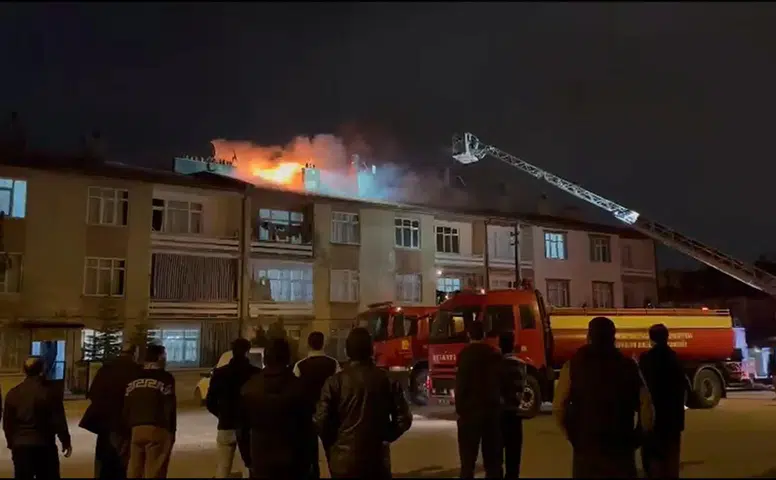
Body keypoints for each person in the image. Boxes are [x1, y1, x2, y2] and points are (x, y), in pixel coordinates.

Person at [553, 316, 654, 479]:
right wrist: (637, 438)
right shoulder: (628, 366)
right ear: (613, 337)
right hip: (620, 449)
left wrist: (573, 436)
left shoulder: (572, 366)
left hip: (587, 450)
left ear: (589, 337)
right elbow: (647, 408)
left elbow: (559, 407)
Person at [314, 327, 412, 479]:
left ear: (347, 351)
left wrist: (335, 444)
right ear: (371, 350)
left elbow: (321, 421)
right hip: (377, 461)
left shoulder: (334, 382)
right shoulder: (387, 380)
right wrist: (386, 436)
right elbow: (404, 418)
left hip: (342, 462)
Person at [240, 337, 311, 479]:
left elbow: (242, 430)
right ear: (288, 358)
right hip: (293, 460)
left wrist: (248, 459)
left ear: (265, 359)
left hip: (260, 458)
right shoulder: (300, 387)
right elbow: (307, 430)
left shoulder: (249, 388)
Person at [3, 356, 72, 479]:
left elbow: (8, 423)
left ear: (24, 371)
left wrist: (11, 442)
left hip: (21, 445)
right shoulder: (50, 392)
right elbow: (58, 420)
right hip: (44, 444)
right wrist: (65, 441)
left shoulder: (13, 393)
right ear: (42, 370)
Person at [80, 343, 142, 479]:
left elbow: (93, 394)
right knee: (124, 463)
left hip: (105, 424)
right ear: (135, 353)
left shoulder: (106, 369)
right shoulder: (138, 371)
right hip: (126, 425)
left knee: (104, 462)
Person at [639, 324, 691, 478]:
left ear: (651, 339)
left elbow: (642, 388)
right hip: (673, 419)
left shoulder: (646, 359)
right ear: (667, 337)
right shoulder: (675, 358)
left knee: (654, 460)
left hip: (654, 418)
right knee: (671, 460)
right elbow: (682, 387)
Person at [454, 322, 503, 479]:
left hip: (470, 413)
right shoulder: (494, 354)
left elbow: (461, 385)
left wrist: (460, 409)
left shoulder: (464, 356)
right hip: (491, 412)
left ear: (469, 335)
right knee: (493, 461)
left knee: (468, 461)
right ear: (484, 335)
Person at [207, 338, 261, 478]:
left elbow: (210, 402)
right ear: (247, 351)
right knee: (249, 466)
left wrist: (221, 414)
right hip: (248, 426)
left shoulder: (220, 373)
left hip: (226, 424)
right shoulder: (255, 374)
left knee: (223, 466)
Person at [123, 344, 177, 479]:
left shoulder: (134, 377)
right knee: (154, 470)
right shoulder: (165, 378)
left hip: (136, 429)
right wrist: (171, 431)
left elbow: (127, 404)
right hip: (157, 427)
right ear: (159, 357)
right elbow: (169, 406)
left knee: (134, 469)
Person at [293, 330, 341, 479]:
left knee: (310, 454)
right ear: (323, 344)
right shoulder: (333, 364)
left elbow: (295, 392)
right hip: (330, 414)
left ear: (308, 344)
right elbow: (339, 388)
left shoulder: (300, 366)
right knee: (332, 452)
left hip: (307, 416)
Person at [499, 331, 528, 478]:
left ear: (499, 346)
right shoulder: (521, 365)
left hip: (498, 415)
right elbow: (522, 387)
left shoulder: (495, 364)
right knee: (513, 459)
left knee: (496, 459)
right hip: (514, 415)